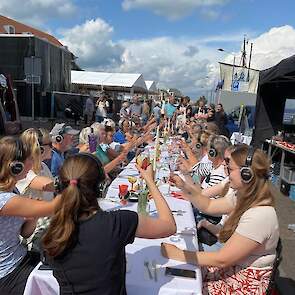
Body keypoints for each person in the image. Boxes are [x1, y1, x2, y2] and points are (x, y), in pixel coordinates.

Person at [42, 154, 176, 295]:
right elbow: (169, 226)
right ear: (102, 187)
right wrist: (149, 180)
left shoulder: (52, 234)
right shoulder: (117, 223)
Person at [162, 145, 279, 295]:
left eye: (230, 169)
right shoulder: (243, 196)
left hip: (241, 283)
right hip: (231, 271)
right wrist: (183, 186)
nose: (227, 174)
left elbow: (222, 259)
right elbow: (208, 205)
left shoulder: (260, 215)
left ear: (247, 174)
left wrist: (177, 254)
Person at [0, 136, 60, 295]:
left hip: (20, 257)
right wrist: (75, 183)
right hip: (7, 273)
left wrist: (32, 218)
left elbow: (24, 233)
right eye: (29, 159)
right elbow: (56, 207)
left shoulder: (13, 190)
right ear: (15, 166)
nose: (32, 164)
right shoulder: (5, 199)